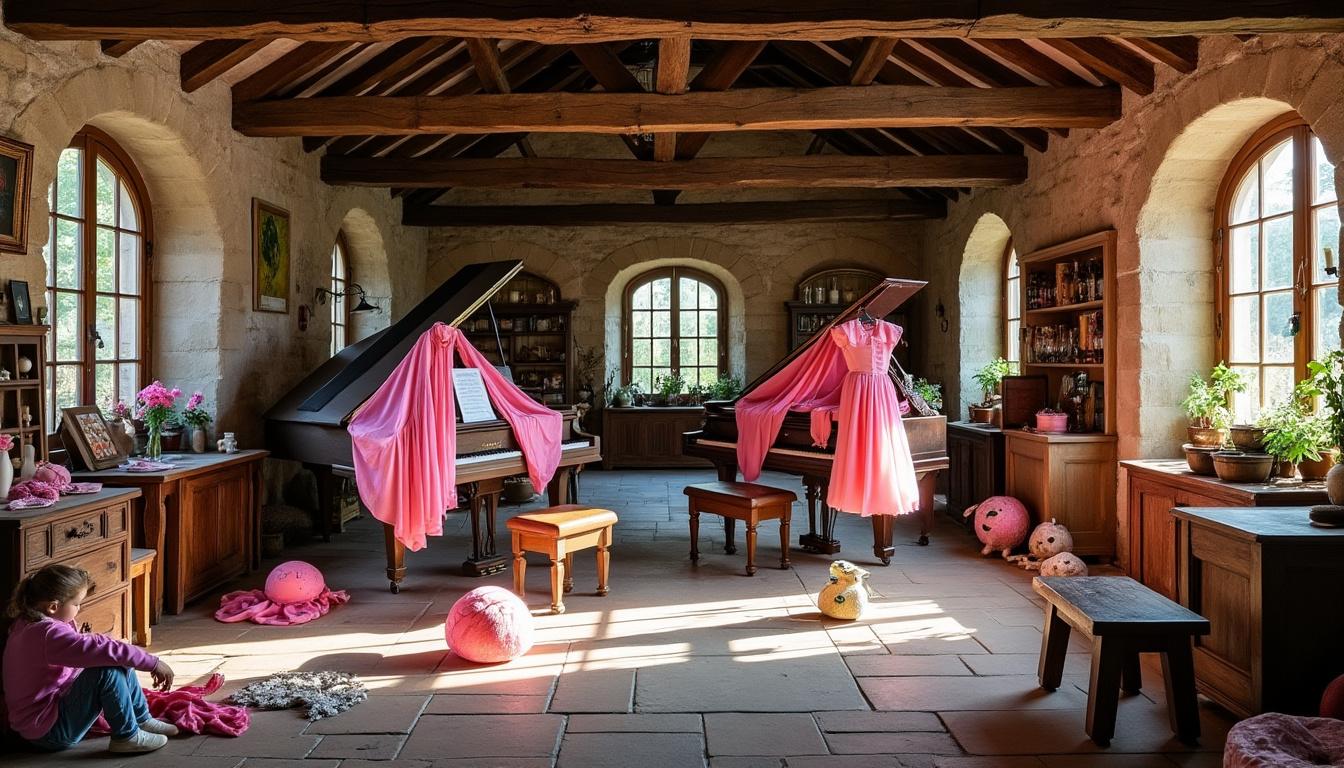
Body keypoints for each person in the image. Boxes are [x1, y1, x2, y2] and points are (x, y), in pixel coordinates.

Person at [3, 564, 178, 753]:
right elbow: (97, 650)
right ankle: (126, 737)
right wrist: (153, 663)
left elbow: (94, 645)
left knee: (115, 657)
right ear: (53, 607)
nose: (80, 608)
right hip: (49, 732)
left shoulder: (27, 622)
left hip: (44, 720)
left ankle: (142, 720)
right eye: (77, 603)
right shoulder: (47, 634)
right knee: (106, 670)